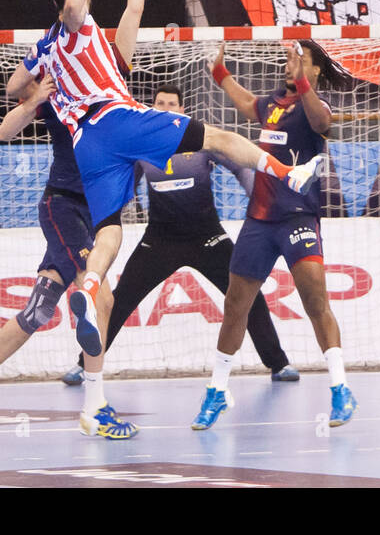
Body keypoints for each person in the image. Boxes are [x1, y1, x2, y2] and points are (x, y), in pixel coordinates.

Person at [2, 0, 320, 381]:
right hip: (93, 160)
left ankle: (72, 303)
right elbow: (76, 18)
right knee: (213, 138)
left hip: (97, 172)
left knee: (82, 261)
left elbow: (132, 8)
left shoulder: (82, 57)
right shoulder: (68, 49)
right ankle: (288, 172)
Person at [61, 85, 300, 388]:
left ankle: (278, 363)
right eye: (159, 103)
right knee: (120, 300)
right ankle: (84, 365)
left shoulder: (198, 140)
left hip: (208, 236)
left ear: (182, 110)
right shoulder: (140, 148)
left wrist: (260, 197)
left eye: (172, 104)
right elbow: (120, 189)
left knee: (247, 294)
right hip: (159, 239)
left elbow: (241, 167)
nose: (165, 109)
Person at [0, 71, 141, 439]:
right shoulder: (59, 96)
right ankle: (94, 408)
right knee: (101, 296)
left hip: (95, 214)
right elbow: (3, 132)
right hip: (63, 206)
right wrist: (34, 100)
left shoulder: (111, 94)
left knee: (38, 311)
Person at [198, 40, 357, 429]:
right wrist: (221, 74)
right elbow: (248, 103)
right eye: (288, 59)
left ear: (316, 69)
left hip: (299, 219)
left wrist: (304, 82)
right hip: (259, 221)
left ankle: (340, 389)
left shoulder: (312, 106)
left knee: (315, 301)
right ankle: (217, 392)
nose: (290, 65)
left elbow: (323, 124)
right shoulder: (272, 105)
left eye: (299, 60)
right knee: (236, 305)